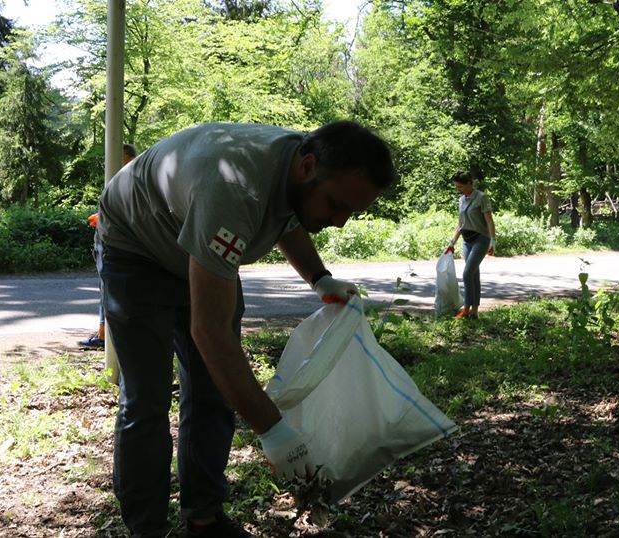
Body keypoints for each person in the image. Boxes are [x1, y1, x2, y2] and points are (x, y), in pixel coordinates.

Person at [96, 121, 395, 537]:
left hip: (199, 245)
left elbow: (290, 216)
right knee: (147, 399)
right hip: (136, 245)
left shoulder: (299, 166)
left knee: (212, 392)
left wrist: (320, 278)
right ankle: (146, 529)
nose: (340, 222)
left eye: (351, 212)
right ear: (308, 166)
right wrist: (275, 431)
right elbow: (210, 333)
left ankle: (204, 518)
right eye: (335, 205)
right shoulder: (234, 189)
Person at [79, 143, 138, 349]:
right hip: (107, 238)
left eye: (120, 159)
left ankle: (105, 336)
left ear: (130, 158)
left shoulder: (133, 180)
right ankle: (104, 333)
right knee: (107, 286)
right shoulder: (121, 179)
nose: (114, 164)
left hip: (115, 243)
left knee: (109, 286)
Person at [445, 170, 496, 319]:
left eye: (460, 186)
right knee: (473, 275)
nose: (458, 189)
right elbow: (460, 223)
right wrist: (452, 242)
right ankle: (474, 311)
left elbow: (489, 221)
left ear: (469, 183)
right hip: (467, 240)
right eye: (456, 187)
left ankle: (466, 309)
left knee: (467, 274)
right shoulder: (461, 200)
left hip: (481, 239)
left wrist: (492, 240)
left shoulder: (481, 197)